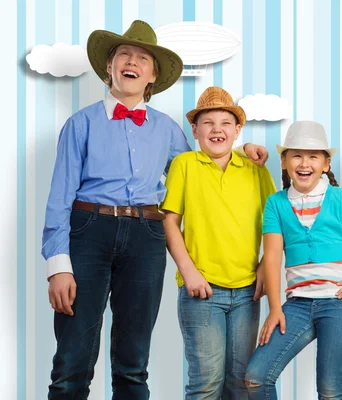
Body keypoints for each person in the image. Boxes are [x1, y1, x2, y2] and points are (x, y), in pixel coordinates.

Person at [42, 21, 267, 399]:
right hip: (88, 231)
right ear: (110, 68)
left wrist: (244, 150)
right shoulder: (80, 124)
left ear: (153, 75)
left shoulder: (167, 129)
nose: (132, 62)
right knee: (74, 353)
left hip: (147, 236)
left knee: (133, 357)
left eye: (142, 58)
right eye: (123, 56)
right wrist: (58, 266)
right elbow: (59, 198)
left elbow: (203, 166)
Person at [245, 121, 342, 399]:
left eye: (313, 156)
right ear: (284, 161)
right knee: (257, 377)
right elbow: (273, 258)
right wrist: (275, 308)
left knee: (329, 389)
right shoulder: (276, 204)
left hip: (340, 304)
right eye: (297, 155)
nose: (305, 162)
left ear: (326, 163)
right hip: (297, 305)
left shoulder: (339, 198)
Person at [161, 86, 277, 399]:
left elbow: (276, 224)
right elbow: (170, 222)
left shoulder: (254, 168)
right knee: (206, 383)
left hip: (246, 292)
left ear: (238, 130)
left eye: (226, 123)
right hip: (202, 290)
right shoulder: (185, 165)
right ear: (195, 130)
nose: (217, 129)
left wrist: (267, 265)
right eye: (208, 123)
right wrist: (189, 271)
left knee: (240, 382)